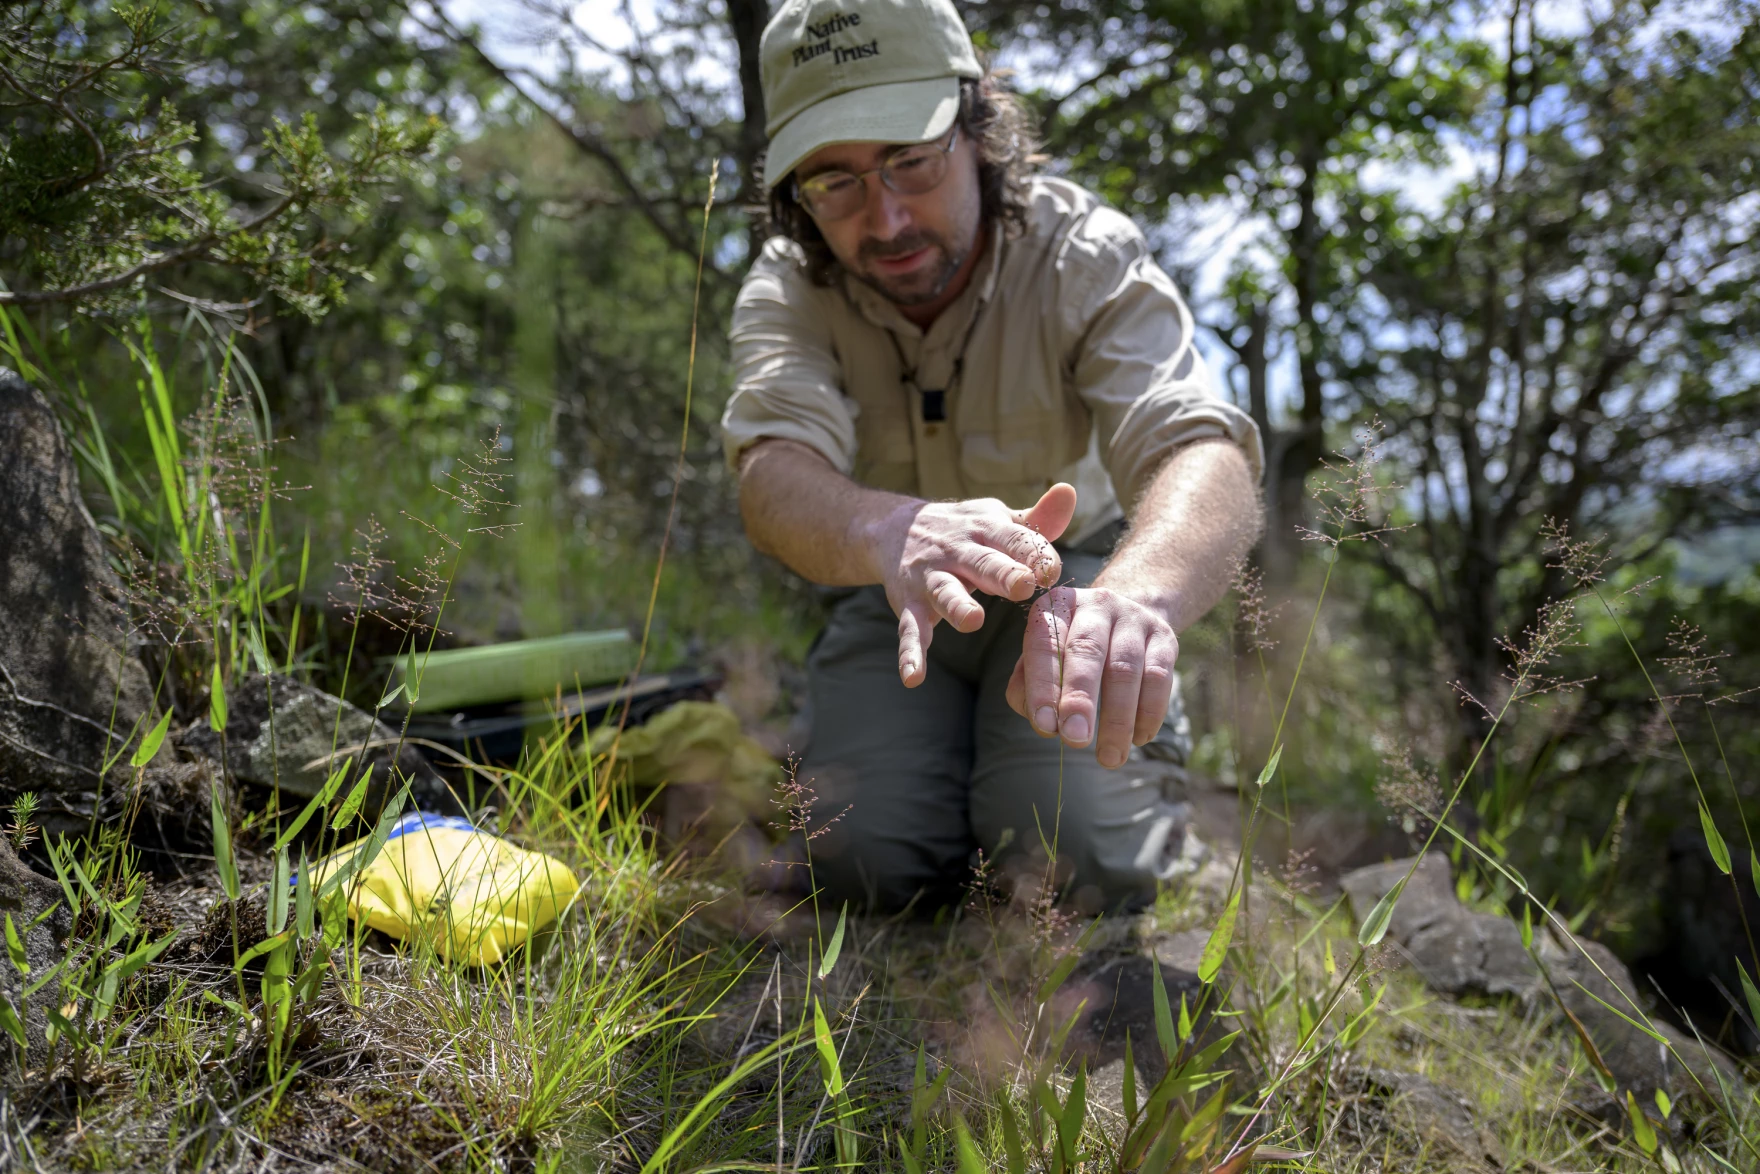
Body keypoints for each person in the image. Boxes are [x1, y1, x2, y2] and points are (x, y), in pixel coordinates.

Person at [723, 0, 1264, 914]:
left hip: (1073, 581)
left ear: (978, 128)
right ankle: (952, 759)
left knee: (1073, 862)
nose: (886, 217)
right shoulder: (789, 283)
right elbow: (771, 471)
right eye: (834, 182)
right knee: (857, 859)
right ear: (796, 193)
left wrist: (1136, 601)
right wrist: (888, 527)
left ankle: (1106, 782)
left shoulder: (1082, 252)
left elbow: (1198, 447)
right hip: (892, 593)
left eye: (912, 160)